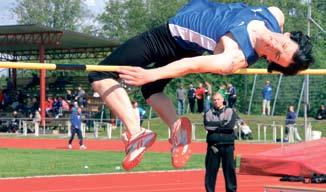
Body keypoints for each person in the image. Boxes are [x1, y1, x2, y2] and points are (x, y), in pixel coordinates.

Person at [88, 0, 313, 171]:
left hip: (168, 36)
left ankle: (136, 132)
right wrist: (151, 80)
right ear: (287, 34)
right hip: (189, 28)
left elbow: (191, 64)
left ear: (270, 61)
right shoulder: (275, 15)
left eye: (275, 54)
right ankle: (177, 129)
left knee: (100, 74)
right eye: (283, 43)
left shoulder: (234, 57)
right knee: (151, 90)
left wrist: (149, 74)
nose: (274, 45)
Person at [203, 92, 237, 192]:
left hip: (228, 146)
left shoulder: (230, 111)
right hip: (213, 147)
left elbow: (230, 126)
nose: (216, 101)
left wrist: (216, 127)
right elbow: (207, 125)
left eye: (218, 99)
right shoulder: (208, 113)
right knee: (210, 172)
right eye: (214, 100)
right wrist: (222, 124)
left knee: (230, 171)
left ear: (223, 100)